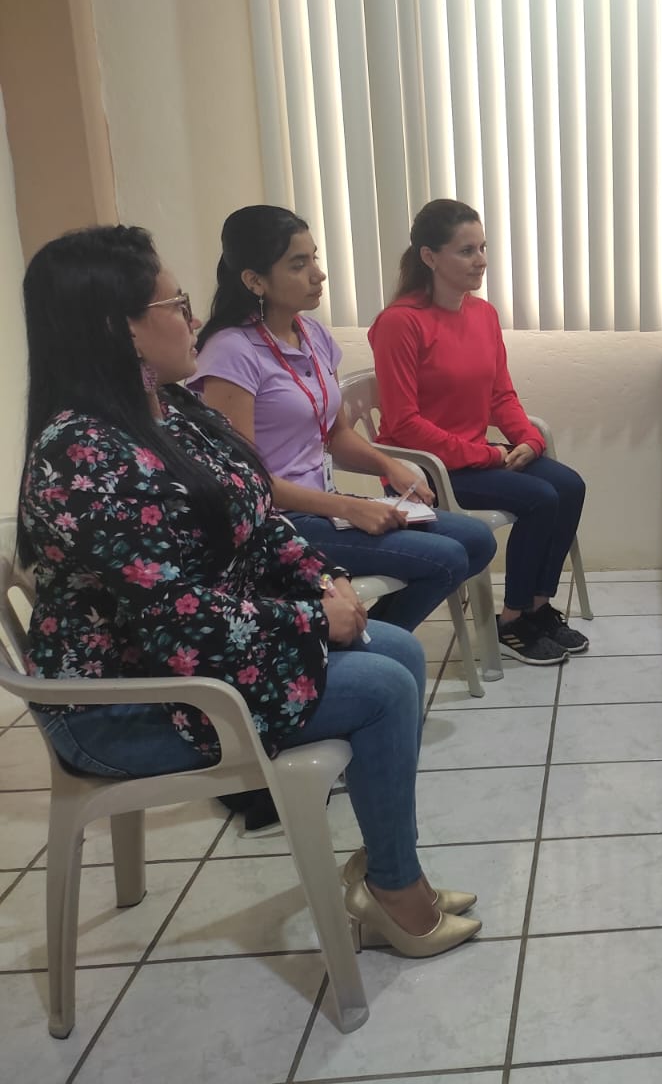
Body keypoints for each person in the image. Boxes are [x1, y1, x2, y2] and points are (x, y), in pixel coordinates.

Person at [17, 226, 480, 958]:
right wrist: (313, 620)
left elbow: (257, 520)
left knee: (397, 650)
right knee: (386, 686)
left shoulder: (171, 409)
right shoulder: (82, 452)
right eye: (176, 304)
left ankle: (389, 871)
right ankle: (396, 890)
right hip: (131, 699)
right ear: (118, 327)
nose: (194, 318)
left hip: (193, 661)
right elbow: (174, 617)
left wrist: (323, 579)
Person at [193, 205, 497, 632]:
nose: (318, 274)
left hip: (326, 507)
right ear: (254, 280)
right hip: (278, 523)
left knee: (476, 540)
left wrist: (390, 466)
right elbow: (247, 482)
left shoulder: (313, 334)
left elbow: (335, 436)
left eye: (314, 258)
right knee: (446, 557)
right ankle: (353, 643)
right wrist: (350, 507)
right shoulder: (230, 352)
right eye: (298, 264)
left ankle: (365, 639)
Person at [368, 199, 588, 667]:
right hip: (424, 470)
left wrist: (528, 439)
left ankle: (536, 607)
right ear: (429, 257)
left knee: (569, 486)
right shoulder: (399, 323)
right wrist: (486, 455)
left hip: (474, 456)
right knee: (540, 498)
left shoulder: (483, 315)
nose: (481, 260)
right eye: (466, 251)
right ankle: (511, 621)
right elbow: (404, 424)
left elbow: (499, 394)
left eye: (483, 248)